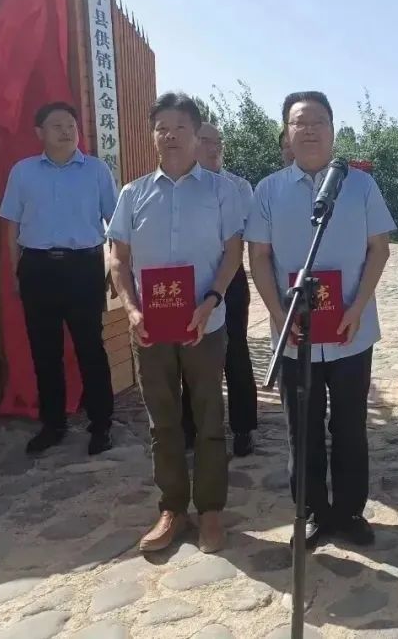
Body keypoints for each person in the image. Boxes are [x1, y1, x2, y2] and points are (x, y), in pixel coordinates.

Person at [247, 91, 395, 550]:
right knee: (303, 429)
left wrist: (357, 306)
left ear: (333, 130)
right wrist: (279, 315)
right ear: (286, 133)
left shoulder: (361, 186)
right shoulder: (268, 190)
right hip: (295, 334)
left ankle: (349, 511)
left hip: (352, 330)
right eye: (299, 123)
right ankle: (311, 511)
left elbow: (379, 249)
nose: (309, 130)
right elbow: (259, 257)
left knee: (350, 426)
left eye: (318, 122)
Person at [108, 92, 244, 555]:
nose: (169, 135)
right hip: (150, 327)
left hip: (205, 323)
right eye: (161, 127)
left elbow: (233, 253)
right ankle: (171, 508)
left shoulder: (221, 191)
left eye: (179, 127)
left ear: (196, 133)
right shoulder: (132, 194)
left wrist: (211, 300)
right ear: (153, 135)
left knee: (208, 418)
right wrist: (131, 309)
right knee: (162, 421)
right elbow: (118, 260)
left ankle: (210, 511)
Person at [0, 102, 119, 456]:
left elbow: (115, 224)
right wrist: (16, 270)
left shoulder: (96, 170)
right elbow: (11, 225)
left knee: (90, 348)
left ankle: (101, 425)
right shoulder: (23, 172)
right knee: (44, 351)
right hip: (37, 269)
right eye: (57, 125)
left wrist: (115, 269)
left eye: (70, 125)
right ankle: (53, 424)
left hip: (84, 268)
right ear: (39, 133)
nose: (66, 131)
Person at [181, 122, 259, 458]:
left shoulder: (238, 187)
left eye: (218, 142)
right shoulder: (180, 186)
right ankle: (190, 426)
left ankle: (243, 427)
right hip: (190, 279)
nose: (215, 148)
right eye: (206, 141)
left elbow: (243, 237)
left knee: (235, 349)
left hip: (230, 277)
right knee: (191, 349)